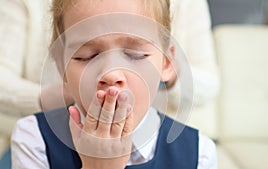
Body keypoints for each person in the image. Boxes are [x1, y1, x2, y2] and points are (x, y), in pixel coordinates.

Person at [11, 0, 217, 168]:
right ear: (61, 66)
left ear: (166, 63)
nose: (111, 73)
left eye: (134, 55)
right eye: (87, 56)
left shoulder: (198, 153)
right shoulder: (34, 139)